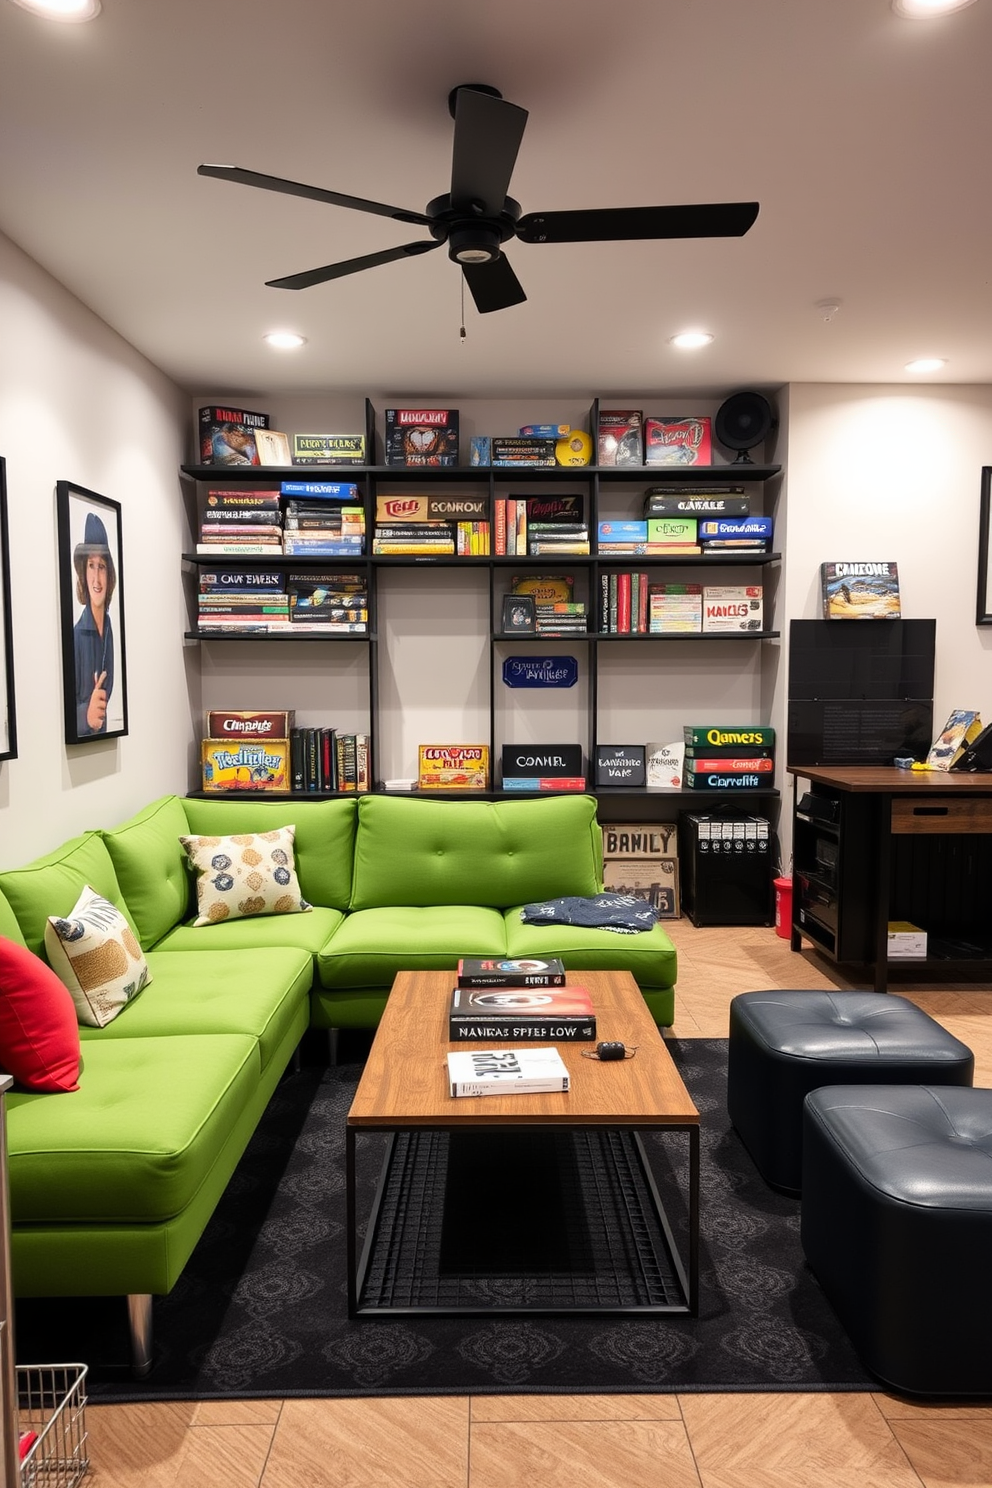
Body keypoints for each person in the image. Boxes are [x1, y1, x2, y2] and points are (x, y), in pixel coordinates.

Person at [72, 512, 116, 735]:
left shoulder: (108, 629)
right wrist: (85, 716)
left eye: (102, 566)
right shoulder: (76, 636)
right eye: (91, 565)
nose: (97, 579)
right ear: (83, 571)